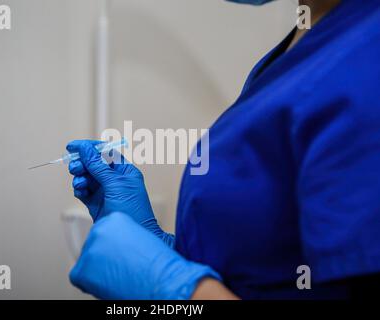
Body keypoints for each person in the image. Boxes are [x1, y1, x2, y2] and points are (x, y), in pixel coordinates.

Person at [66, 0, 380, 299]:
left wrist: (172, 289)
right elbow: (265, 269)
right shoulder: (301, 50)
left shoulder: (366, 62)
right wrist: (158, 248)